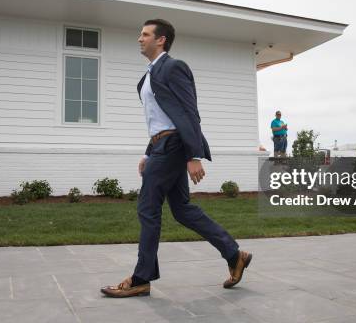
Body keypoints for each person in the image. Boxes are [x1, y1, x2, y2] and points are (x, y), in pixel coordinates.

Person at [101, 19, 252, 298]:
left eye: (145, 34)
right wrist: (148, 152)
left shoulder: (173, 67)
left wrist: (194, 154)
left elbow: (189, 112)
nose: (139, 38)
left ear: (161, 40)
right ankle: (234, 254)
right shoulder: (147, 76)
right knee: (182, 210)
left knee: (148, 209)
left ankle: (141, 278)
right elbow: (159, 119)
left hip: (172, 147)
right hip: (162, 147)